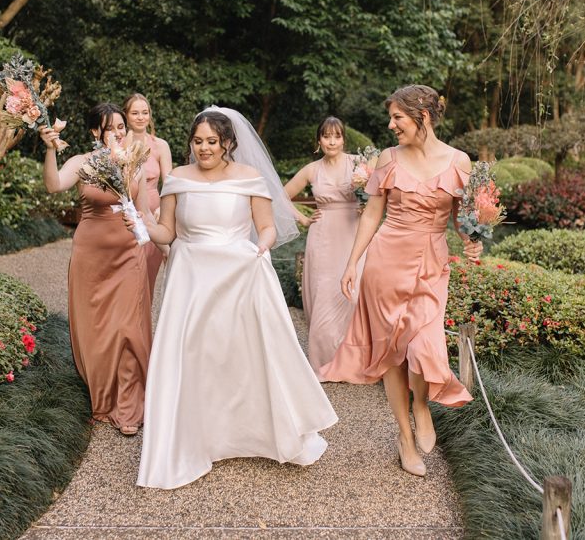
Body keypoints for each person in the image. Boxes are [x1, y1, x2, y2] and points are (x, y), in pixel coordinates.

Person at [130, 107, 337, 489]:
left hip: (238, 274)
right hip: (191, 278)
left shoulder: (250, 178)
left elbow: (267, 227)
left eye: (212, 141)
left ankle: (249, 433)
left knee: (239, 354)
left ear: (228, 143)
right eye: (197, 141)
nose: (204, 148)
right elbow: (167, 233)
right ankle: (197, 439)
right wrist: (142, 219)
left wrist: (260, 248)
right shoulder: (177, 178)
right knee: (194, 354)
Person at [320, 85, 482, 477]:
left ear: (423, 116)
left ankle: (422, 404)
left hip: (431, 263)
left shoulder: (460, 161)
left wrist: (472, 241)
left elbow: (464, 218)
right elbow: (373, 214)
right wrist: (352, 262)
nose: (391, 125)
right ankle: (405, 438)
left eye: (398, 118)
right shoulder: (388, 159)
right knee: (392, 350)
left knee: (424, 342)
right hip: (386, 263)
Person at [39, 104, 151, 435]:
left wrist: (165, 242)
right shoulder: (81, 163)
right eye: (110, 127)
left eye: (121, 125)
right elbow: (54, 185)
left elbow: (144, 211)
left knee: (127, 327)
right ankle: (103, 396)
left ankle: (128, 405)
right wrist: (49, 151)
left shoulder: (135, 162)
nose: (118, 131)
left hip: (129, 253)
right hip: (91, 255)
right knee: (97, 328)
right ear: (94, 133)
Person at [283, 117, 362, 380]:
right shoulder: (311, 169)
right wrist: (304, 218)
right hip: (323, 237)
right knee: (325, 295)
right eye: (326, 136)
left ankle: (354, 362)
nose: (332, 141)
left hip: (353, 234)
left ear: (343, 140)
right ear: (319, 140)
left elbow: (381, 194)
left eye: (337, 136)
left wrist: (368, 205)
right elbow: (280, 195)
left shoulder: (359, 164)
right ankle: (324, 364)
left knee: (355, 295)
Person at [123, 93, 174, 296]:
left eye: (145, 112)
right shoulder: (118, 146)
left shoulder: (160, 145)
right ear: (126, 116)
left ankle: (143, 325)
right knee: (127, 276)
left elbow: (169, 183)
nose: (140, 117)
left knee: (148, 276)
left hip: (154, 214)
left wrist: (165, 208)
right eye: (135, 113)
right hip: (126, 213)